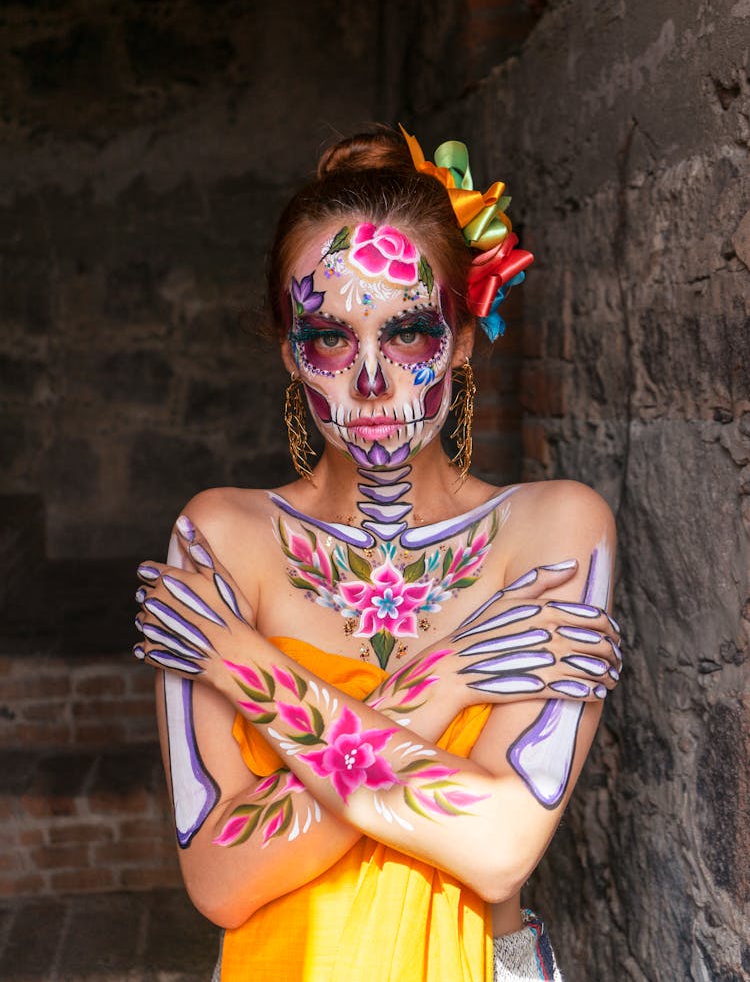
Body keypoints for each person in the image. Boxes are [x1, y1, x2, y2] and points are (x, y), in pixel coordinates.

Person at [133, 126, 620, 982]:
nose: (368, 379)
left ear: (463, 339)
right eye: (328, 337)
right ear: (290, 351)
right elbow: (219, 877)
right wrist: (449, 679)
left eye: (407, 333)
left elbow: (503, 847)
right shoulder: (220, 536)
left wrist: (243, 661)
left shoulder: (554, 532)